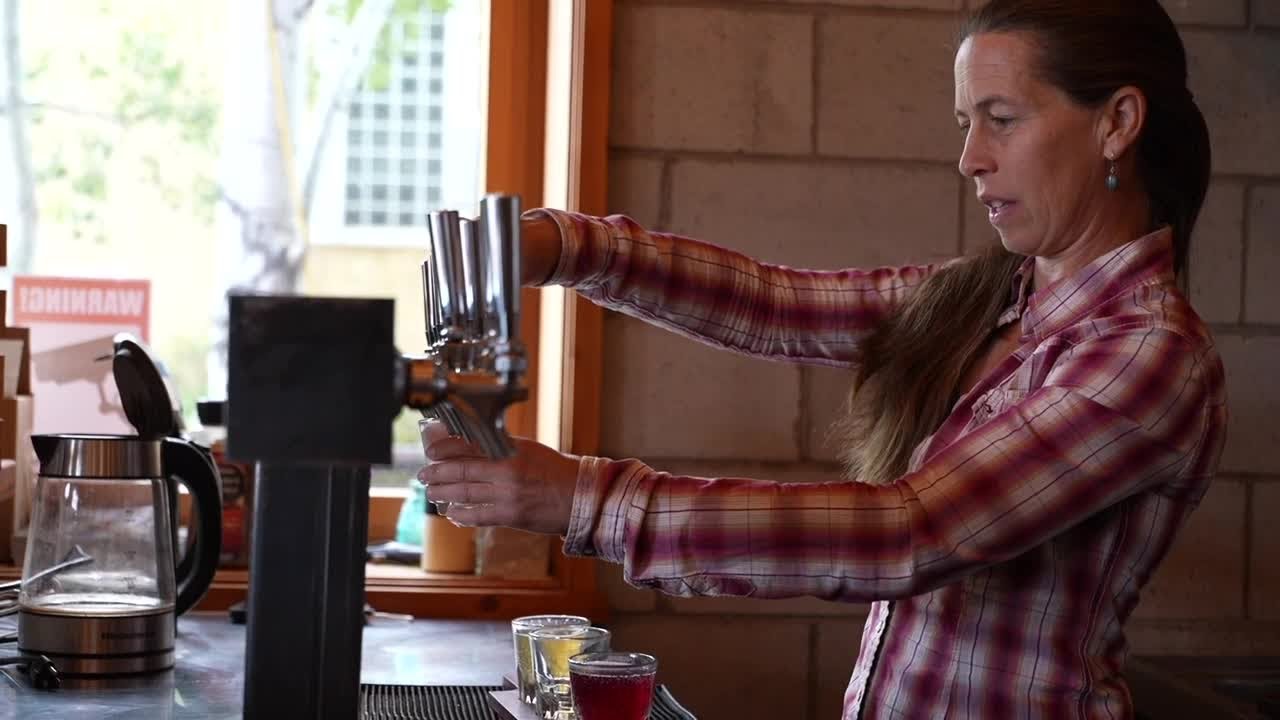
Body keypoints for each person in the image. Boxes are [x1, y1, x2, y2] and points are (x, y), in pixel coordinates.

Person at [419, 1, 1227, 717]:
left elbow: (908, 533)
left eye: (1002, 119)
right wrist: (562, 246)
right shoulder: (985, 297)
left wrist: (583, 500)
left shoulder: (1147, 355)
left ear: (1117, 121)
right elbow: (772, 305)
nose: (970, 158)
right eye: (964, 124)